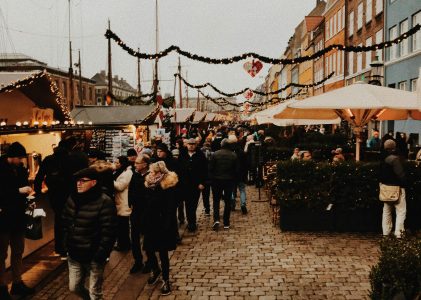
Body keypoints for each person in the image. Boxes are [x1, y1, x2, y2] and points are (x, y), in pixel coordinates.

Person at [62, 168, 117, 300]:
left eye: (83, 181)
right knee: (74, 287)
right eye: (77, 181)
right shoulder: (73, 198)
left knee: (95, 293)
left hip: (94, 255)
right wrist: (66, 246)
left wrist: (101, 253)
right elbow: (64, 223)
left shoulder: (105, 201)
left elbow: (109, 231)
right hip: (74, 253)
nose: (78, 184)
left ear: (93, 182)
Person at [0, 142, 35, 299]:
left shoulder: (20, 169)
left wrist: (28, 196)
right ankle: (1, 287)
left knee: (18, 251)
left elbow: (24, 186)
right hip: (3, 218)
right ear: (11, 157)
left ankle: (17, 283)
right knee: (1, 254)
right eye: (19, 158)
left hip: (18, 216)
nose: (21, 160)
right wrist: (18, 191)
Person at [143, 161, 178, 296]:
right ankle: (155, 270)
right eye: (151, 172)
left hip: (163, 223)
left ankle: (166, 279)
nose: (151, 174)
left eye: (154, 172)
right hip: (150, 222)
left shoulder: (167, 185)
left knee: (163, 254)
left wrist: (167, 224)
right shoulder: (148, 184)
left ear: (161, 173)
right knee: (148, 249)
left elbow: (170, 207)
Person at [34, 145, 72, 259]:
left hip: (54, 195)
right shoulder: (68, 160)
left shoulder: (48, 159)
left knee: (59, 221)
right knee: (68, 221)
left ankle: (59, 249)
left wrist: (37, 191)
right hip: (68, 195)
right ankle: (68, 248)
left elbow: (40, 175)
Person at [209, 138, 239, 230]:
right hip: (229, 181)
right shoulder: (233, 155)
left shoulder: (215, 154)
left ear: (221, 145)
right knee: (227, 202)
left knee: (216, 201)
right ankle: (226, 222)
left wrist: (211, 179)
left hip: (216, 181)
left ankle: (216, 219)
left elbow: (210, 168)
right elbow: (236, 170)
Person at [178, 138, 208, 232]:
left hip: (196, 184)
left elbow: (205, 170)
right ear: (186, 145)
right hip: (185, 184)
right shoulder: (182, 155)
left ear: (196, 145)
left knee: (194, 204)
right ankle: (191, 223)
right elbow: (179, 169)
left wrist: (202, 183)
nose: (191, 145)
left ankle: (192, 221)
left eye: (193, 144)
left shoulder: (200, 155)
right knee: (187, 204)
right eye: (189, 144)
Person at [128, 154, 151, 274]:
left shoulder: (151, 176)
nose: (135, 165)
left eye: (137, 163)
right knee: (134, 237)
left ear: (145, 164)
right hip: (136, 210)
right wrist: (130, 203)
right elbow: (130, 190)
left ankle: (149, 261)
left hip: (147, 212)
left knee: (147, 237)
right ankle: (138, 261)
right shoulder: (135, 175)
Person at [379, 140, 407, 238]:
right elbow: (400, 174)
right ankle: (398, 233)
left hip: (385, 188)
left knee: (386, 211)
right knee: (400, 211)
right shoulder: (395, 159)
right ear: (394, 147)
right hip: (397, 187)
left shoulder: (382, 157)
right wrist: (404, 183)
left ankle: (385, 232)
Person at [113, 156, 133, 251]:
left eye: (117, 163)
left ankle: (125, 245)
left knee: (123, 225)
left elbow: (120, 186)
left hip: (124, 201)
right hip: (120, 201)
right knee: (120, 225)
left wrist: (111, 181)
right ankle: (122, 243)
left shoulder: (127, 173)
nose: (115, 164)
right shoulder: (121, 171)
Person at [200, 142, 213, 215]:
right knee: (215, 195)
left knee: (205, 195)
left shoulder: (201, 155)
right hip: (213, 177)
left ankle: (207, 209)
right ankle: (214, 208)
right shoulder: (213, 154)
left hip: (205, 178)